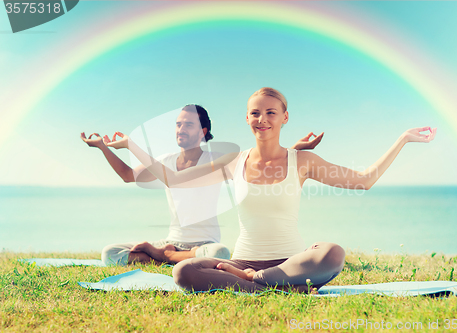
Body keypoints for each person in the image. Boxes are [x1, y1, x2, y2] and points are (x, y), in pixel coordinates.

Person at [105, 87, 436, 292]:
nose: (262, 118)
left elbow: (364, 180)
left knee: (332, 252)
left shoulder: (303, 161)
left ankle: (257, 283)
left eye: (270, 112)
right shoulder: (233, 162)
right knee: (183, 272)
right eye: (255, 112)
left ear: (284, 118)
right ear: (247, 119)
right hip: (243, 259)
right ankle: (269, 286)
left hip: (290, 262)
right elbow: (175, 179)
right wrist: (131, 146)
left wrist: (402, 139)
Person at [81, 104, 323, 266]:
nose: (180, 129)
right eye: (178, 124)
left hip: (204, 246)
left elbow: (259, 162)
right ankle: (167, 255)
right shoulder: (165, 161)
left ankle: (163, 257)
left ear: (202, 131)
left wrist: (294, 150)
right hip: (173, 240)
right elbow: (127, 175)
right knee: (110, 253)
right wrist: (103, 147)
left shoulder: (214, 160)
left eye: (188, 124)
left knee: (220, 254)